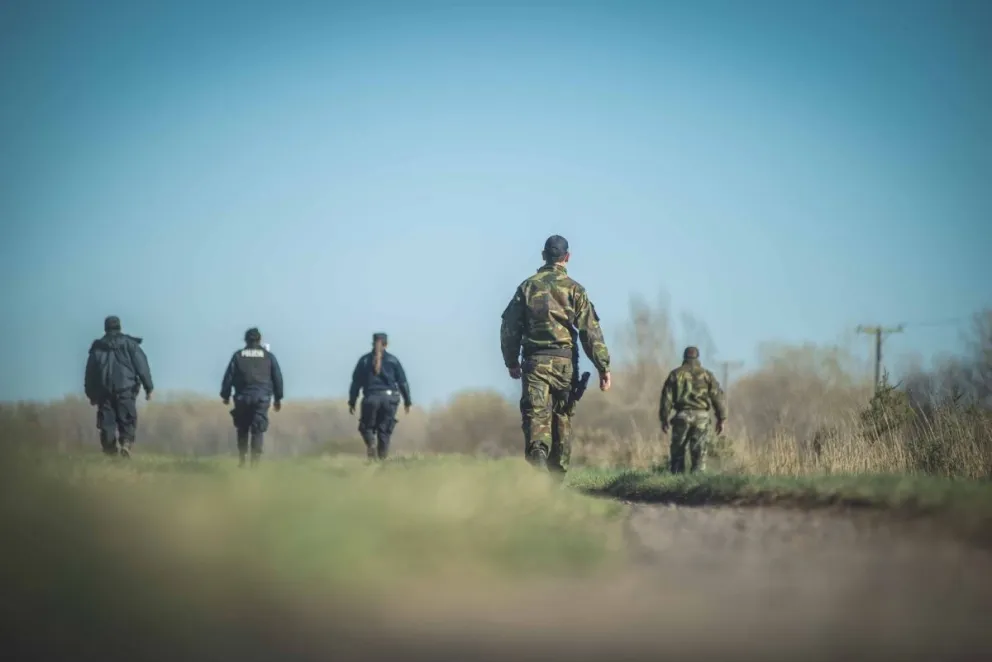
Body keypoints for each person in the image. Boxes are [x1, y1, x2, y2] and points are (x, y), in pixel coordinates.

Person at [500, 234, 612, 475]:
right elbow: (590, 332)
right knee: (562, 415)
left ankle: (538, 454)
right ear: (567, 257)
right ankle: (557, 474)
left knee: (535, 414)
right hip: (564, 363)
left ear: (543, 256)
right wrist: (603, 367)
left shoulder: (527, 287)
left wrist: (511, 361)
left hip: (534, 362)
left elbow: (509, 326)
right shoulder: (575, 290)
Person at [84, 315, 154, 458]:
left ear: (105, 328)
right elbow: (142, 366)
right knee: (127, 419)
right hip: (126, 389)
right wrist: (149, 387)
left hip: (104, 392)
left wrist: (91, 394)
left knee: (107, 423)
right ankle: (126, 444)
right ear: (119, 326)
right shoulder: (130, 344)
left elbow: (90, 373)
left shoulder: (97, 348)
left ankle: (110, 452)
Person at [220, 327, 284, 467]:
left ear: (245, 340)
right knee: (257, 429)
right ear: (259, 340)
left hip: (242, 398)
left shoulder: (238, 355)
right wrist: (278, 399)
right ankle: (255, 463)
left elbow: (228, 377)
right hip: (262, 398)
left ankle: (242, 459)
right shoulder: (268, 356)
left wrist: (225, 395)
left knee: (242, 428)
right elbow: (277, 378)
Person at [658, 346, 728, 473]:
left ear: (684, 357)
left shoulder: (675, 374)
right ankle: (697, 482)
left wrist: (664, 419)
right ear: (697, 357)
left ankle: (677, 483)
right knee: (699, 454)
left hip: (682, 416)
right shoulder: (707, 375)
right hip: (702, 418)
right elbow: (717, 396)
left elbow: (666, 398)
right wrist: (721, 418)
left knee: (678, 453)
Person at [347, 332, 412, 461]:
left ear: (373, 343)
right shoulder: (393, 360)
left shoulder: (364, 361)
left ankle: (371, 446)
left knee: (367, 428)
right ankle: (382, 460)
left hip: (370, 398)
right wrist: (407, 401)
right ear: (386, 344)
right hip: (390, 399)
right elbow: (403, 383)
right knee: (384, 431)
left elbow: (356, 383)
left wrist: (352, 401)